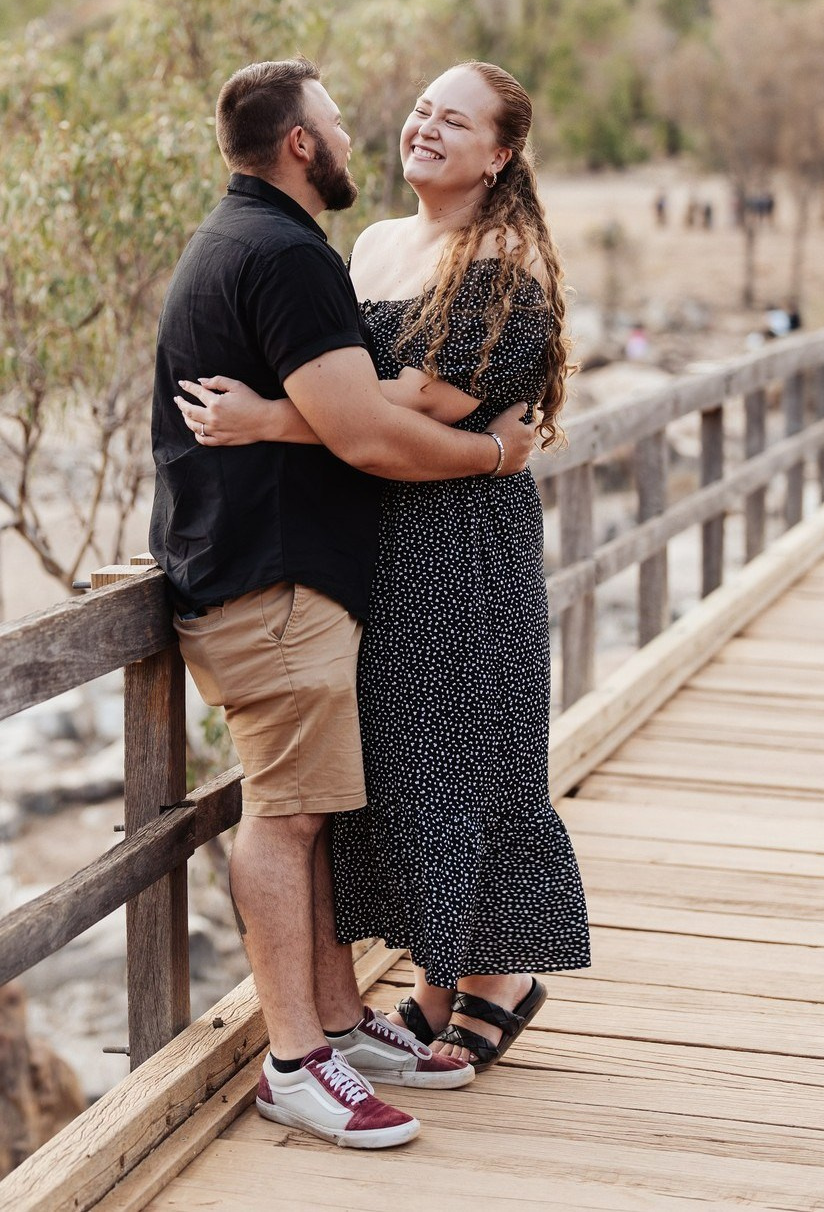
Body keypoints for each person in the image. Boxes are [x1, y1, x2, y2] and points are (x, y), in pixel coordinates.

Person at [149, 58, 540, 1150]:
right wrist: (495, 450)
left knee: (314, 811)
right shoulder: (292, 255)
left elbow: (385, 402)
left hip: (296, 570)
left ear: (499, 152)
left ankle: (336, 1021)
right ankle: (296, 1061)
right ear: (302, 147)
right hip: (269, 579)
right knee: (286, 818)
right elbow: (369, 426)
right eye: (338, 121)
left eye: (446, 115)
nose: (372, 131)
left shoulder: (256, 240)